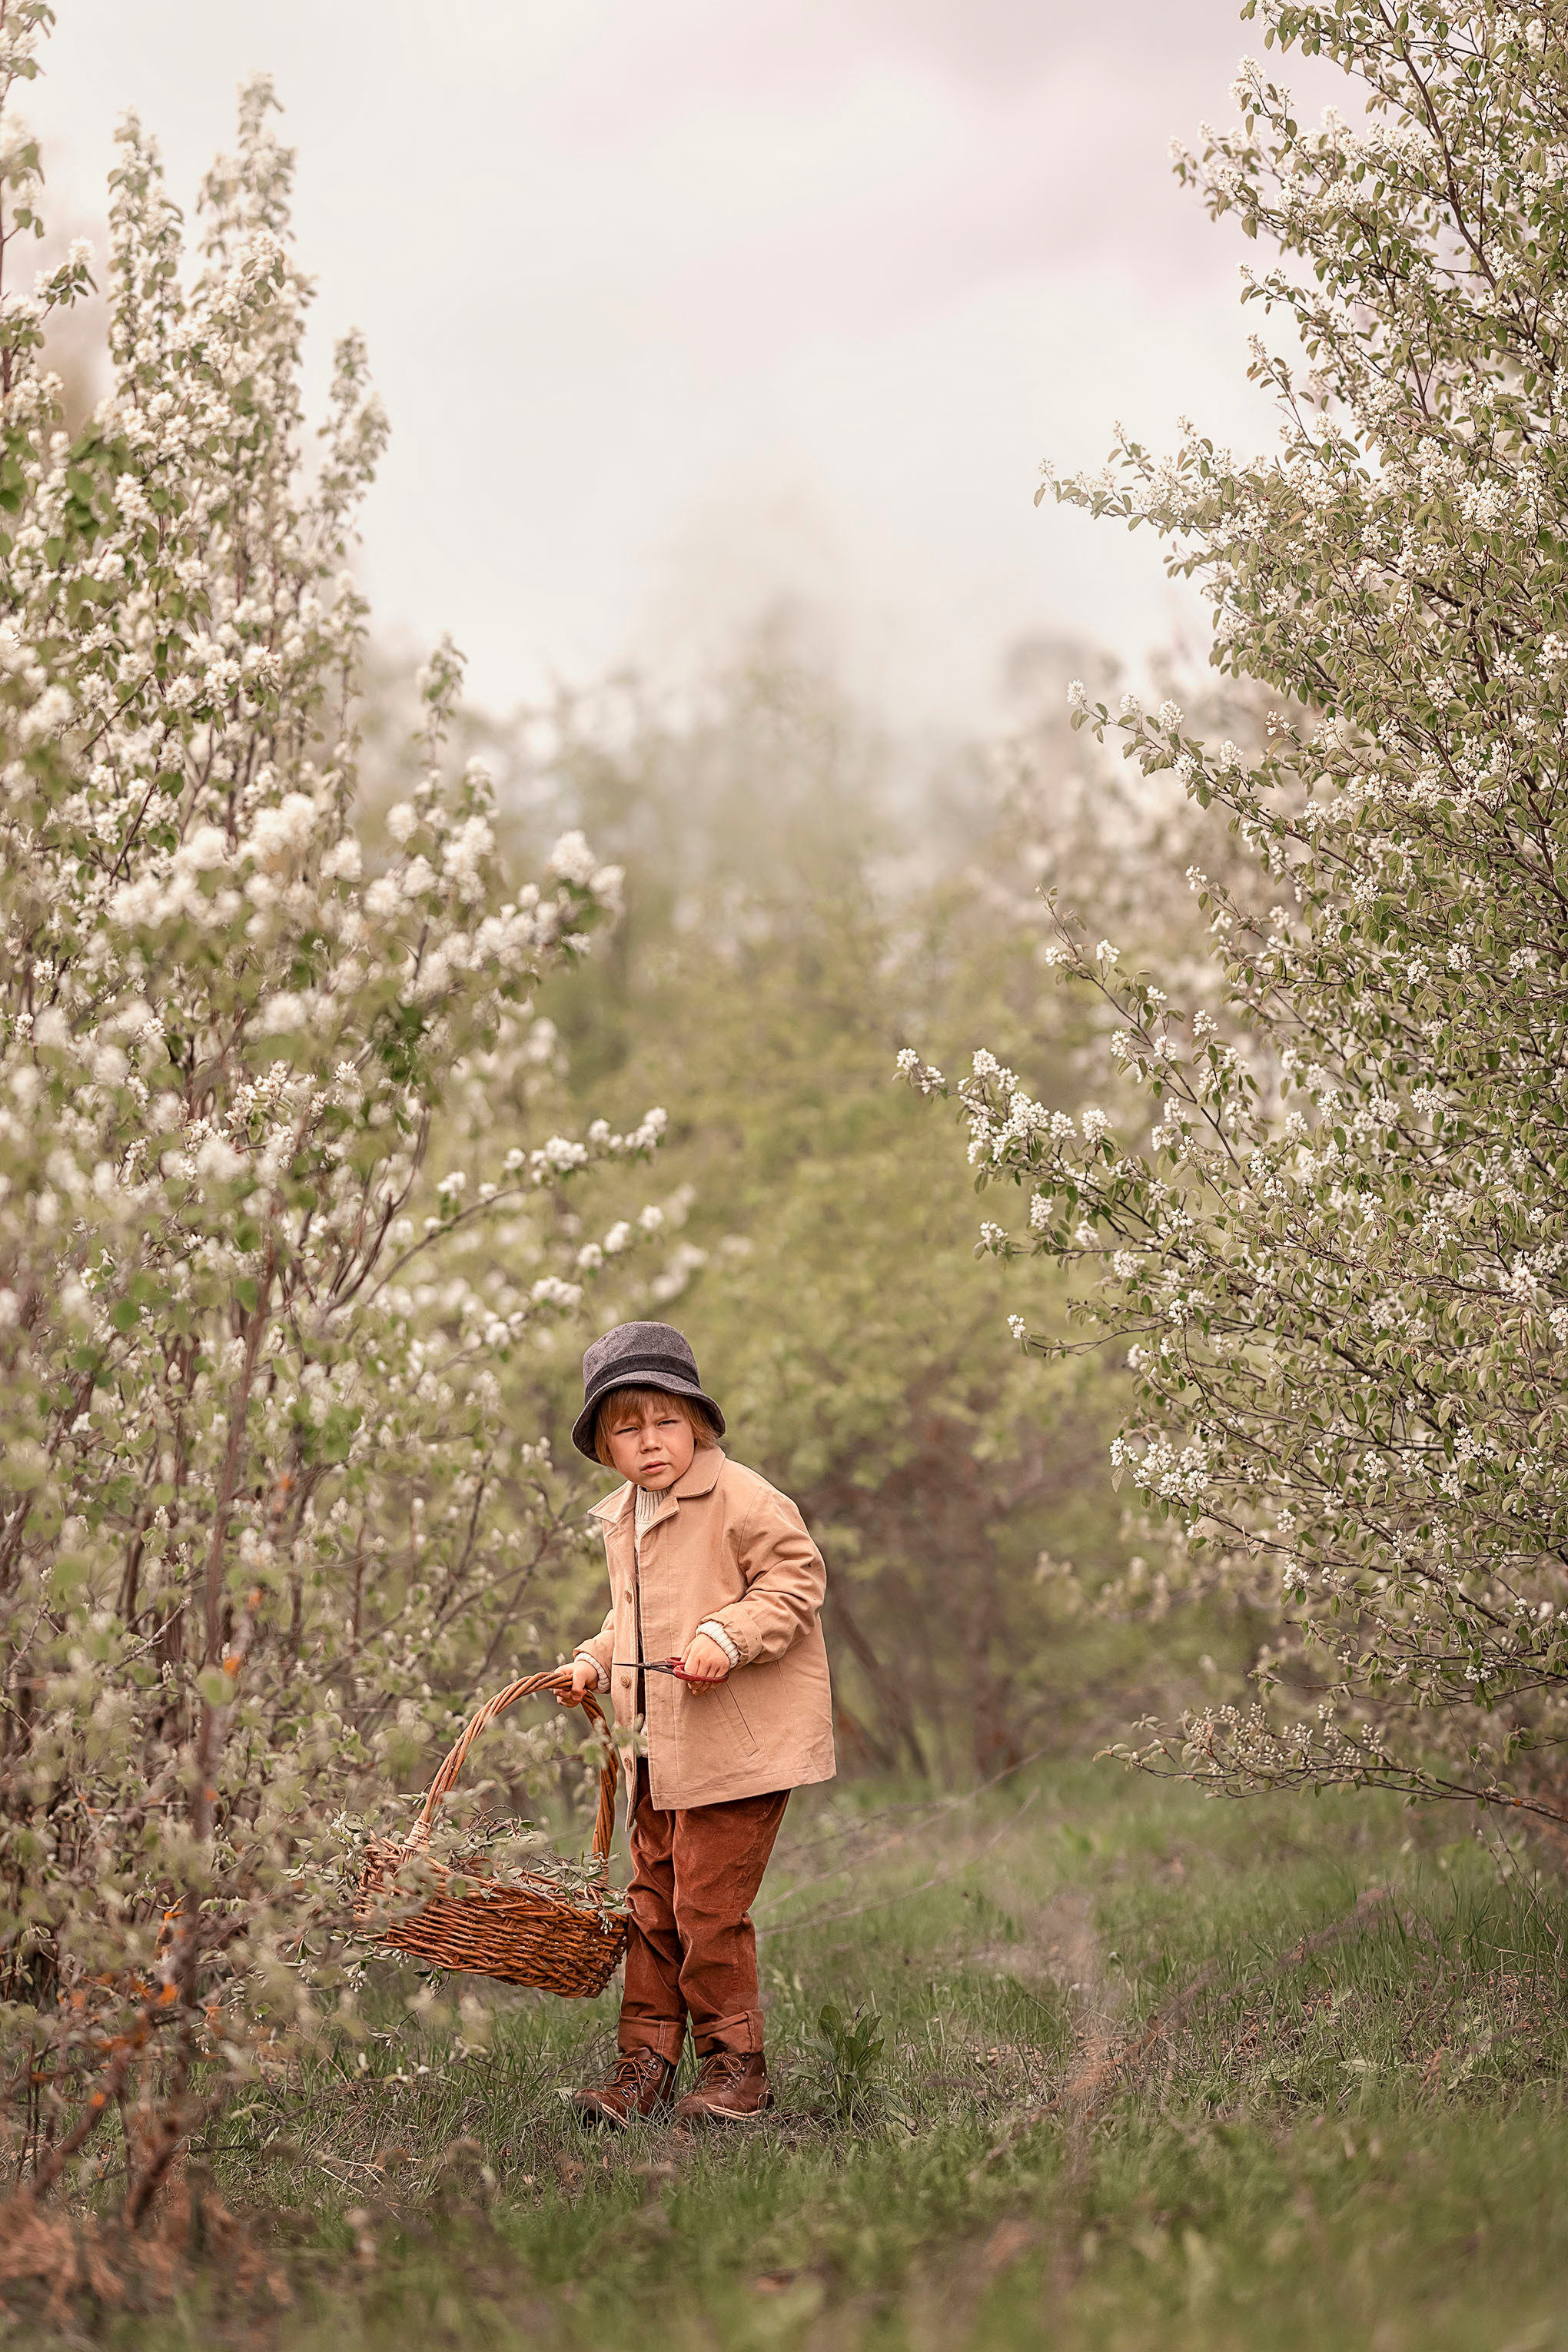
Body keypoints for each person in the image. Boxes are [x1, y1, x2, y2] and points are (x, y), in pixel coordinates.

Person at [560, 1320, 835, 2125]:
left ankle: (736, 2068)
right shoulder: (625, 1517)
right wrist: (597, 1659)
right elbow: (635, 1623)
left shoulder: (743, 1498)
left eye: (666, 1422)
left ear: (700, 1423)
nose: (650, 1444)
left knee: (706, 1911)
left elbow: (793, 1583)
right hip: (659, 1755)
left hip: (734, 1751)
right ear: (605, 1448)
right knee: (651, 1911)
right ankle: (644, 2066)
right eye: (627, 1429)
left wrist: (728, 1635)